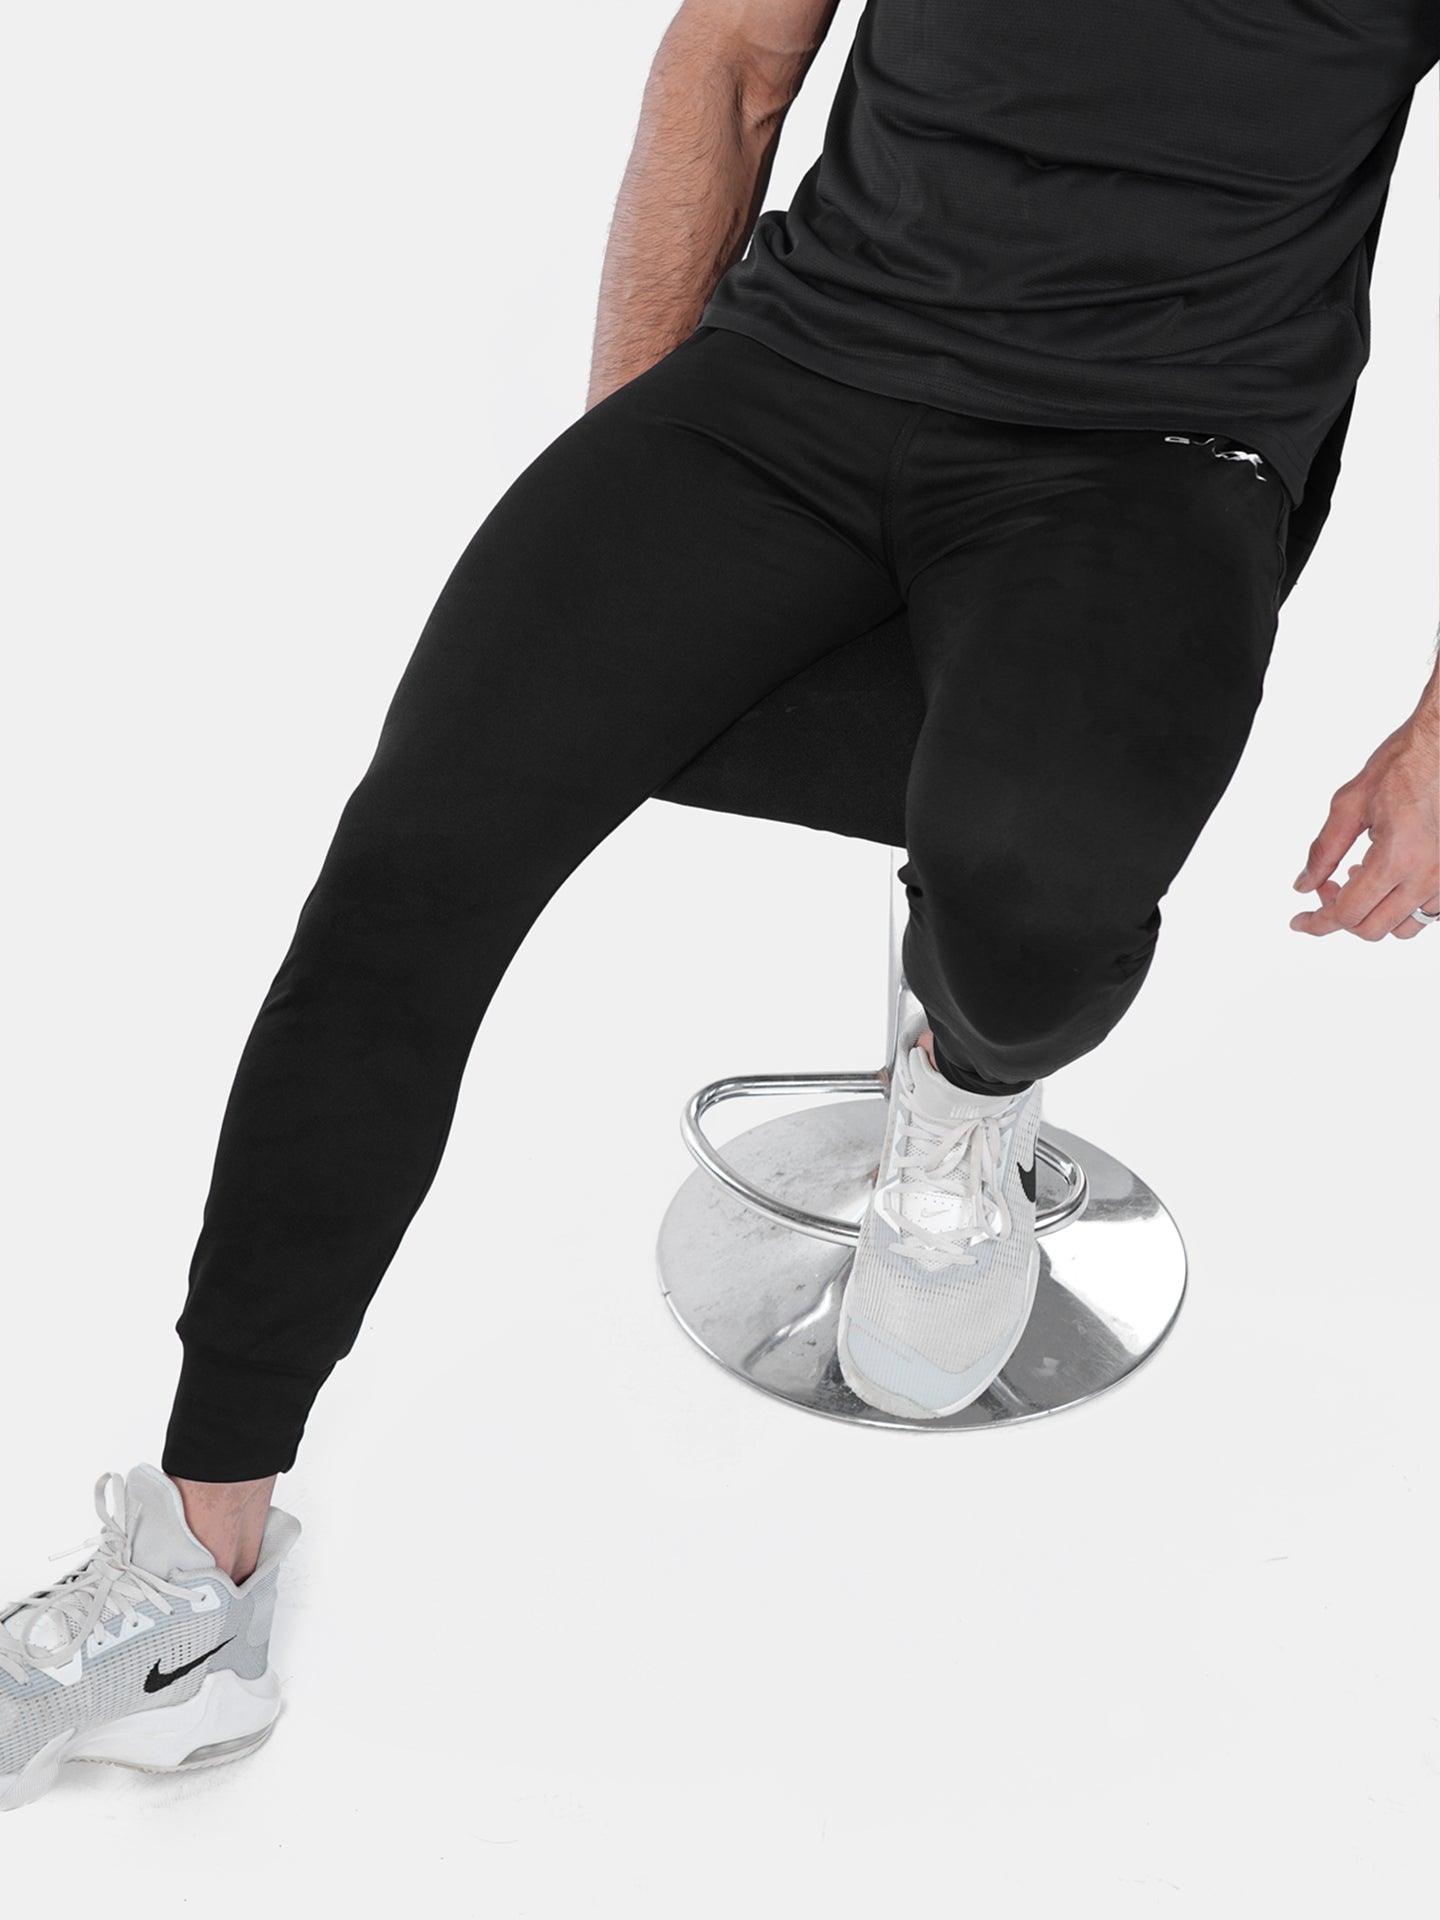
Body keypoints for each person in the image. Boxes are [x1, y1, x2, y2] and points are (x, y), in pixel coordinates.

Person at [2, 0, 1436, 1811]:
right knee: (413, 865)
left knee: (1034, 904)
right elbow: (735, 60)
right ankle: (192, 1577)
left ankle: (965, 1087)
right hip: (798, 381)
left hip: (1153, 453)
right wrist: (634, 478)